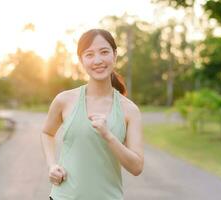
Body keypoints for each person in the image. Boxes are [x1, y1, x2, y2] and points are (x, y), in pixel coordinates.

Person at [41, 28, 144, 200]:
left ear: (115, 55)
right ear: (81, 60)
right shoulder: (64, 100)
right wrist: (52, 165)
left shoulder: (130, 110)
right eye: (89, 54)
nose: (98, 60)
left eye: (104, 52)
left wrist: (108, 135)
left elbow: (137, 167)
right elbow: (47, 133)